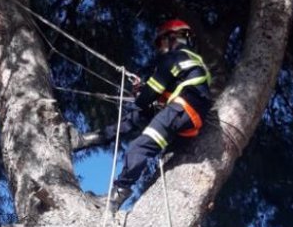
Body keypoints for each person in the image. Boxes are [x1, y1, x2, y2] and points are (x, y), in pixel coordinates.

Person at [85, 19, 213, 212]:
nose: (160, 48)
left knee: (138, 147)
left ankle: (114, 198)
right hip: (187, 119)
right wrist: (143, 94)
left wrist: (140, 97)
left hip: (181, 110)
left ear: (173, 38)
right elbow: (164, 91)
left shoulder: (174, 58)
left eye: (162, 42)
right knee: (138, 117)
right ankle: (93, 138)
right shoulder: (192, 64)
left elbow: (149, 95)